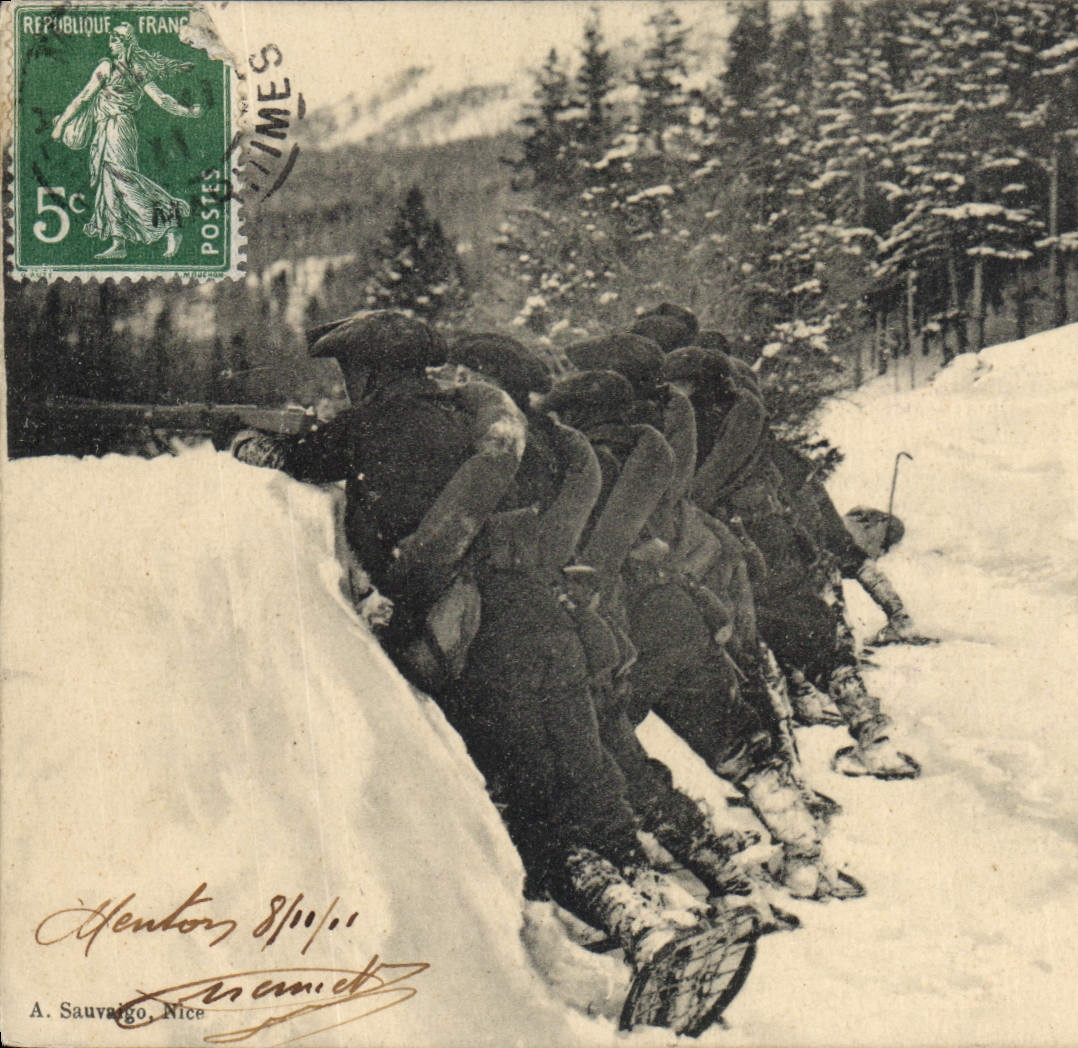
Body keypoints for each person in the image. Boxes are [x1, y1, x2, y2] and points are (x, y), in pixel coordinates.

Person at [231, 312, 723, 970]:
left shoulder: (375, 423)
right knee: (587, 777)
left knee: (523, 797)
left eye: (352, 373)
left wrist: (240, 441)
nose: (349, 386)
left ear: (369, 371)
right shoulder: (483, 420)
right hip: (544, 615)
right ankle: (660, 907)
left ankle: (643, 936)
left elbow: (297, 461)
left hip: (477, 634)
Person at [544, 360, 861, 901]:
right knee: (736, 744)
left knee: (614, 756)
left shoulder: (579, 468)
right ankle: (806, 860)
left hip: (622, 629)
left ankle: (699, 869)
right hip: (677, 611)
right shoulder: (656, 457)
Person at [662, 346, 921, 781]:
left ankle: (786, 779)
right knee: (816, 642)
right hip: (780, 546)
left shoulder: (696, 431)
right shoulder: (752, 430)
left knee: (752, 662)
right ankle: (873, 737)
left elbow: (693, 494)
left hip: (739, 554)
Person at [51, 23, 202, 260]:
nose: (109, 44)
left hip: (117, 129)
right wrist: (187, 112)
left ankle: (171, 221)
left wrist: (60, 126)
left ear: (124, 44)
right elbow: (162, 100)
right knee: (109, 183)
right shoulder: (135, 69)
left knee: (123, 180)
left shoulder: (109, 67)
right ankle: (118, 241)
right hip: (109, 129)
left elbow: (83, 98)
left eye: (113, 40)